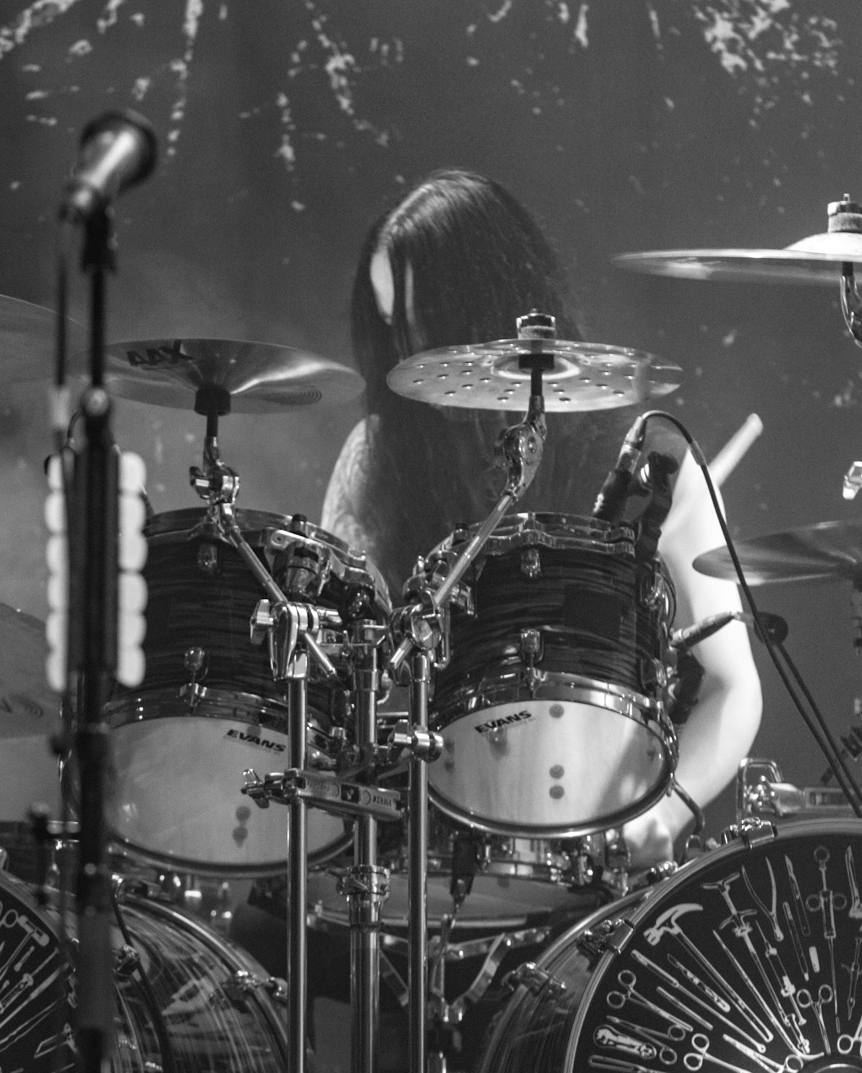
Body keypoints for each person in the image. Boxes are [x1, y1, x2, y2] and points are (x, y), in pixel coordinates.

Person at [323, 168, 761, 863]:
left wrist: (664, 811)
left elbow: (734, 688)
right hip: (419, 848)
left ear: (491, 303)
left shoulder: (646, 463)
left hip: (594, 847)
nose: (408, 352)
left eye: (424, 320)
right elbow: (347, 675)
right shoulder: (376, 460)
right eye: (390, 326)